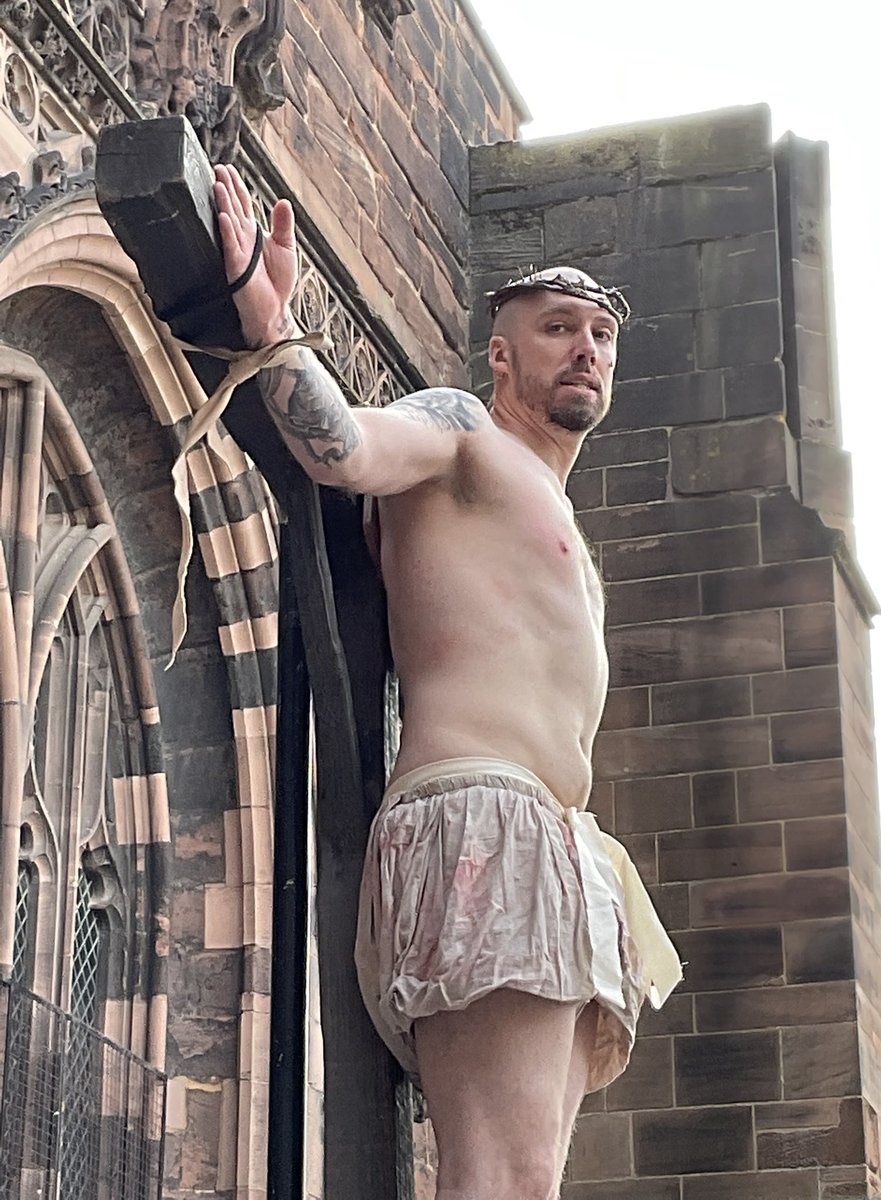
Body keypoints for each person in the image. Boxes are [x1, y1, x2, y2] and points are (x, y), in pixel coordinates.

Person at [213, 164, 681, 1200]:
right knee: (499, 1182)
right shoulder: (465, 429)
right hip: (481, 816)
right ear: (503, 354)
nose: (587, 349)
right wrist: (267, 316)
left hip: (553, 844)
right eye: (560, 327)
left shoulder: (551, 508)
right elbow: (343, 445)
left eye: (601, 335)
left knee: (526, 1186)